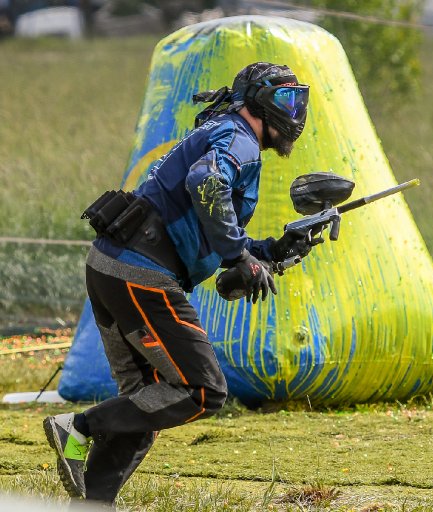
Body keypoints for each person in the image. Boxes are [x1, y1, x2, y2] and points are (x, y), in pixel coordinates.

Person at [43, 62, 312, 506]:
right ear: (260, 101)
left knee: (145, 406)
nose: (296, 111)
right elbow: (206, 181)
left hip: (113, 268)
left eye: (299, 100)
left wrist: (267, 251)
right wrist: (236, 257)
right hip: (142, 274)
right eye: (286, 99)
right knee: (203, 390)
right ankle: (80, 427)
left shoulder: (223, 133)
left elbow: (204, 224)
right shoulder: (239, 138)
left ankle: (91, 504)